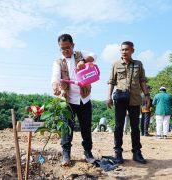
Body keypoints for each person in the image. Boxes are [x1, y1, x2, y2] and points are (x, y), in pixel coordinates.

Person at [51, 34, 97, 166]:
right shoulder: (58, 62)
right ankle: (66, 154)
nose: (65, 51)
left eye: (68, 48)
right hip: (68, 100)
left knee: (86, 128)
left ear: (73, 45)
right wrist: (55, 85)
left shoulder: (80, 54)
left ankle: (88, 153)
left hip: (84, 98)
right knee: (67, 127)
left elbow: (95, 55)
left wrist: (83, 60)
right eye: (62, 49)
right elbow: (55, 77)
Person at [107, 41, 150, 164]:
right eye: (122, 50)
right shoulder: (116, 64)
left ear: (132, 51)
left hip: (135, 99)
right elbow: (111, 81)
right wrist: (109, 97)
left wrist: (146, 95)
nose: (124, 52)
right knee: (118, 126)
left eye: (126, 49)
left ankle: (137, 152)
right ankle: (118, 153)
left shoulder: (138, 64)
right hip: (120, 98)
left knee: (135, 127)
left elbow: (142, 81)